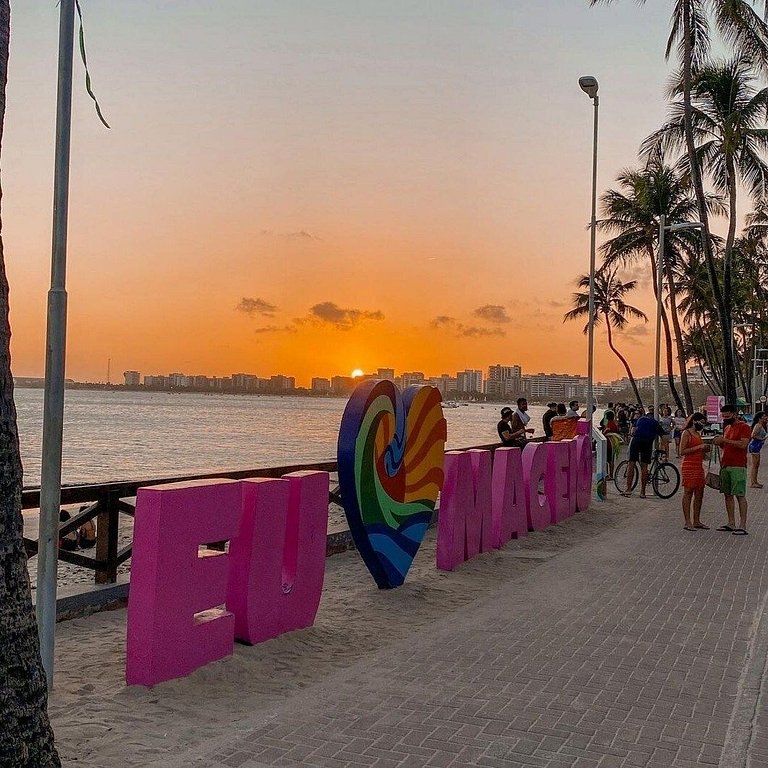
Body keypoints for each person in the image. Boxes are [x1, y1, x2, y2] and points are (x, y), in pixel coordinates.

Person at [713, 403, 752, 535]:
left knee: (740, 495)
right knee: (727, 494)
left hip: (738, 465)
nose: (725, 418)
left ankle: (742, 524)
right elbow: (726, 446)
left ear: (734, 414)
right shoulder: (727, 427)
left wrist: (725, 440)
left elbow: (743, 444)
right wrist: (721, 443)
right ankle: (731, 522)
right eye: (723, 416)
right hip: (726, 464)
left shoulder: (744, 427)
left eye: (727, 416)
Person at [623, 406, 665, 498]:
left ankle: (628, 489)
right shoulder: (656, 423)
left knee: (631, 463)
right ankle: (643, 492)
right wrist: (664, 449)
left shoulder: (641, 419)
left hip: (636, 440)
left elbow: (633, 430)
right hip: (647, 442)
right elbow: (663, 437)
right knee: (644, 466)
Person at [679, 413, 711, 531]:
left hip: (698, 465)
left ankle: (697, 520)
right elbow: (682, 451)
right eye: (701, 422)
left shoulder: (697, 434)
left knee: (699, 493)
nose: (702, 425)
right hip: (688, 465)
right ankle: (688, 521)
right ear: (694, 421)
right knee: (688, 492)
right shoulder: (686, 433)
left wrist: (705, 449)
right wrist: (699, 447)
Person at [748, 411, 767, 489]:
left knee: (757, 465)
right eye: (764, 416)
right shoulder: (758, 426)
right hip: (754, 446)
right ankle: (753, 482)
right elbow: (753, 435)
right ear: (760, 418)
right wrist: (761, 439)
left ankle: (755, 481)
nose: (765, 418)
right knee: (755, 465)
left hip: (757, 446)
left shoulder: (761, 425)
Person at [601, 409, 621, 480]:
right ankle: (610, 474)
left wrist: (602, 434)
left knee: (607, 460)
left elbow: (607, 430)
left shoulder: (610, 423)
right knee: (611, 460)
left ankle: (608, 475)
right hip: (613, 443)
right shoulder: (614, 423)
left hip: (609, 444)